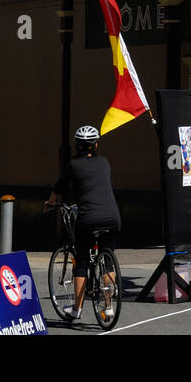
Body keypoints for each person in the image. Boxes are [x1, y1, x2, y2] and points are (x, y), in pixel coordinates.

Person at [46, 125, 121, 321]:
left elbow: (61, 185)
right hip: (112, 216)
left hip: (89, 218)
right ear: (95, 145)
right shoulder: (104, 162)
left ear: (77, 146)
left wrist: (52, 200)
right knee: (107, 259)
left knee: (81, 261)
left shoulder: (73, 165)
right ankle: (109, 307)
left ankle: (76, 309)